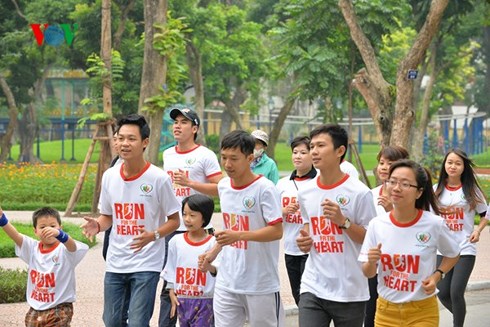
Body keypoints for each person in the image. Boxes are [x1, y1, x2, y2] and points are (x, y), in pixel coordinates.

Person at [81, 114, 181, 327]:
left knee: (137, 322)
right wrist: (98, 225)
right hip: (116, 262)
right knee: (112, 321)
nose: (124, 144)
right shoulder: (110, 176)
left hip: (147, 263)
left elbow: (174, 220)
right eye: (120, 138)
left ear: (145, 142)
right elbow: (108, 215)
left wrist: (153, 235)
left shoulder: (158, 178)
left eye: (131, 139)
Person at [359, 159, 460, 326]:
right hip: (386, 312)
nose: (396, 188)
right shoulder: (376, 225)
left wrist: (437, 275)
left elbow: (453, 254)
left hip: (422, 312)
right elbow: (368, 273)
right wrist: (371, 261)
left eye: (405, 184)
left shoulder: (434, 224)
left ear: (419, 192)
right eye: (392, 182)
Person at [200, 130, 285, 327]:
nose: (227, 164)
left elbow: (276, 231)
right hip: (227, 281)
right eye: (224, 158)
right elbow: (230, 229)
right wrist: (212, 252)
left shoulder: (264, 188)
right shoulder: (224, 187)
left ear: (249, 158)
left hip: (260, 283)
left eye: (234, 159)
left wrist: (239, 235)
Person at [296, 124, 377, 327]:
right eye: (312, 146)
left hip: (350, 290)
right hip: (313, 285)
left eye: (321, 145)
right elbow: (308, 227)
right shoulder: (305, 192)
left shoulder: (359, 192)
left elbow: (371, 239)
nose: (314, 151)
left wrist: (344, 222)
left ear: (340, 151)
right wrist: (304, 241)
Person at [160, 107, 223, 327]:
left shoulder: (205, 155)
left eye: (183, 122)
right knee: (169, 285)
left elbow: (219, 187)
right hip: (172, 227)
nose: (177, 125)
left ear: (194, 128)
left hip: (197, 228)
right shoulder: (167, 154)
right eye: (175, 122)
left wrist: (191, 184)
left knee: (199, 278)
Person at [0, 206, 89, 326]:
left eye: (53, 226)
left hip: (60, 307)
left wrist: (61, 235)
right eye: (42, 227)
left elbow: (72, 247)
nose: (48, 230)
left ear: (60, 227)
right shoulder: (32, 248)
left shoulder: (65, 251)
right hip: (35, 307)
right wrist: (2, 220)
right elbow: (15, 236)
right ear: (35, 231)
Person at [433, 149, 488, 327]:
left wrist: (478, 230)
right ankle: (460, 313)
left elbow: (485, 213)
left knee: (456, 292)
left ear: (464, 167)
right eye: (450, 162)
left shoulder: (472, 190)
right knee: (442, 293)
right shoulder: (435, 190)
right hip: (442, 250)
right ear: (444, 165)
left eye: (458, 163)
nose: (453, 166)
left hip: (465, 248)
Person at [365, 145, 409, 327]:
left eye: (389, 163)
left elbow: (410, 228)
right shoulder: (371, 194)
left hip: (399, 263)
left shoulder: (408, 194)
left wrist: (392, 208)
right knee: (370, 309)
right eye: (381, 163)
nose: (383, 167)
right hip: (374, 260)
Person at [162, 194, 218, 327]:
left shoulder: (213, 244)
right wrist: (171, 292)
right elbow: (170, 269)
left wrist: (208, 267)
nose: (187, 219)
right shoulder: (176, 241)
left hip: (205, 301)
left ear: (204, 217)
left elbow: (218, 269)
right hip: (182, 300)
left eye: (192, 216)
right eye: (184, 214)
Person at [276, 136, 316, 306]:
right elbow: (270, 214)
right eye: (295, 152)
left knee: (309, 294)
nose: (298, 156)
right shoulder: (282, 184)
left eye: (303, 152)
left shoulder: (319, 181)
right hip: (290, 248)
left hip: (312, 249)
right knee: (296, 294)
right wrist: (283, 211)